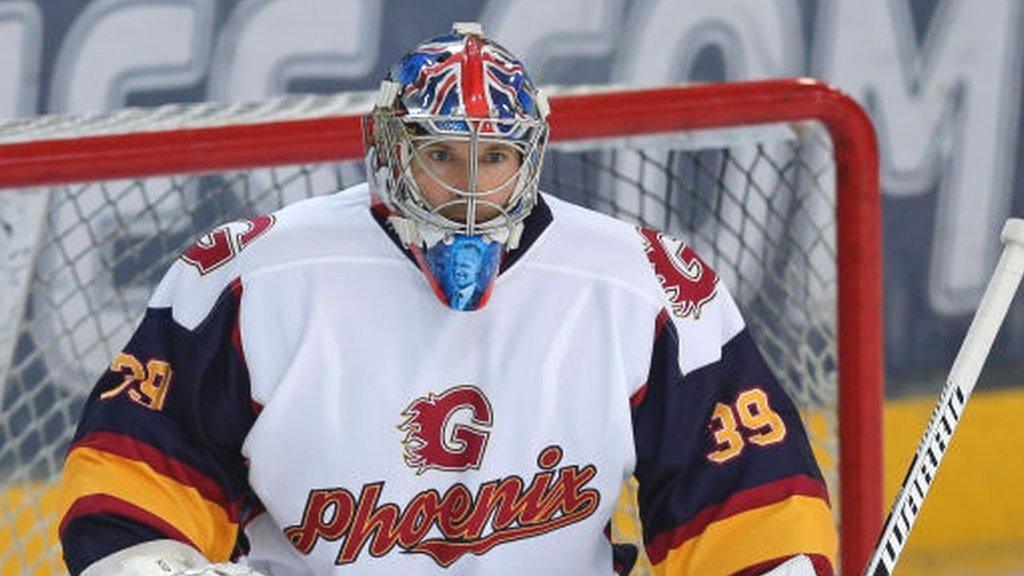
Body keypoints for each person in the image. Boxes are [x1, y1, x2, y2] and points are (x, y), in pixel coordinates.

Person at [58, 22, 837, 576]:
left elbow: (745, 502)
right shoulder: (250, 281)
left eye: (494, 156)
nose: (471, 187)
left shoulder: (646, 289)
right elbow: (134, 477)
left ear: (529, 157)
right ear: (390, 152)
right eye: (441, 155)